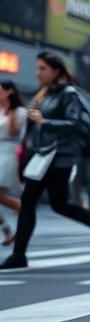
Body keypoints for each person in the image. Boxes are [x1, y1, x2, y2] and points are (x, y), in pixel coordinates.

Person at [1, 53, 90, 271]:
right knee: (48, 203)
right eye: (37, 68)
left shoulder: (69, 94)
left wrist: (45, 121)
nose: (38, 73)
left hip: (61, 156)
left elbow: (75, 123)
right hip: (44, 155)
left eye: (43, 68)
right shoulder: (44, 94)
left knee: (50, 203)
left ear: (57, 71)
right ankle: (19, 255)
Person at [0, 81, 28, 246]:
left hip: (9, 153)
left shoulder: (20, 111)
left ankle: (22, 209)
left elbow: (13, 132)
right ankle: (8, 231)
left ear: (9, 92)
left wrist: (9, 108)